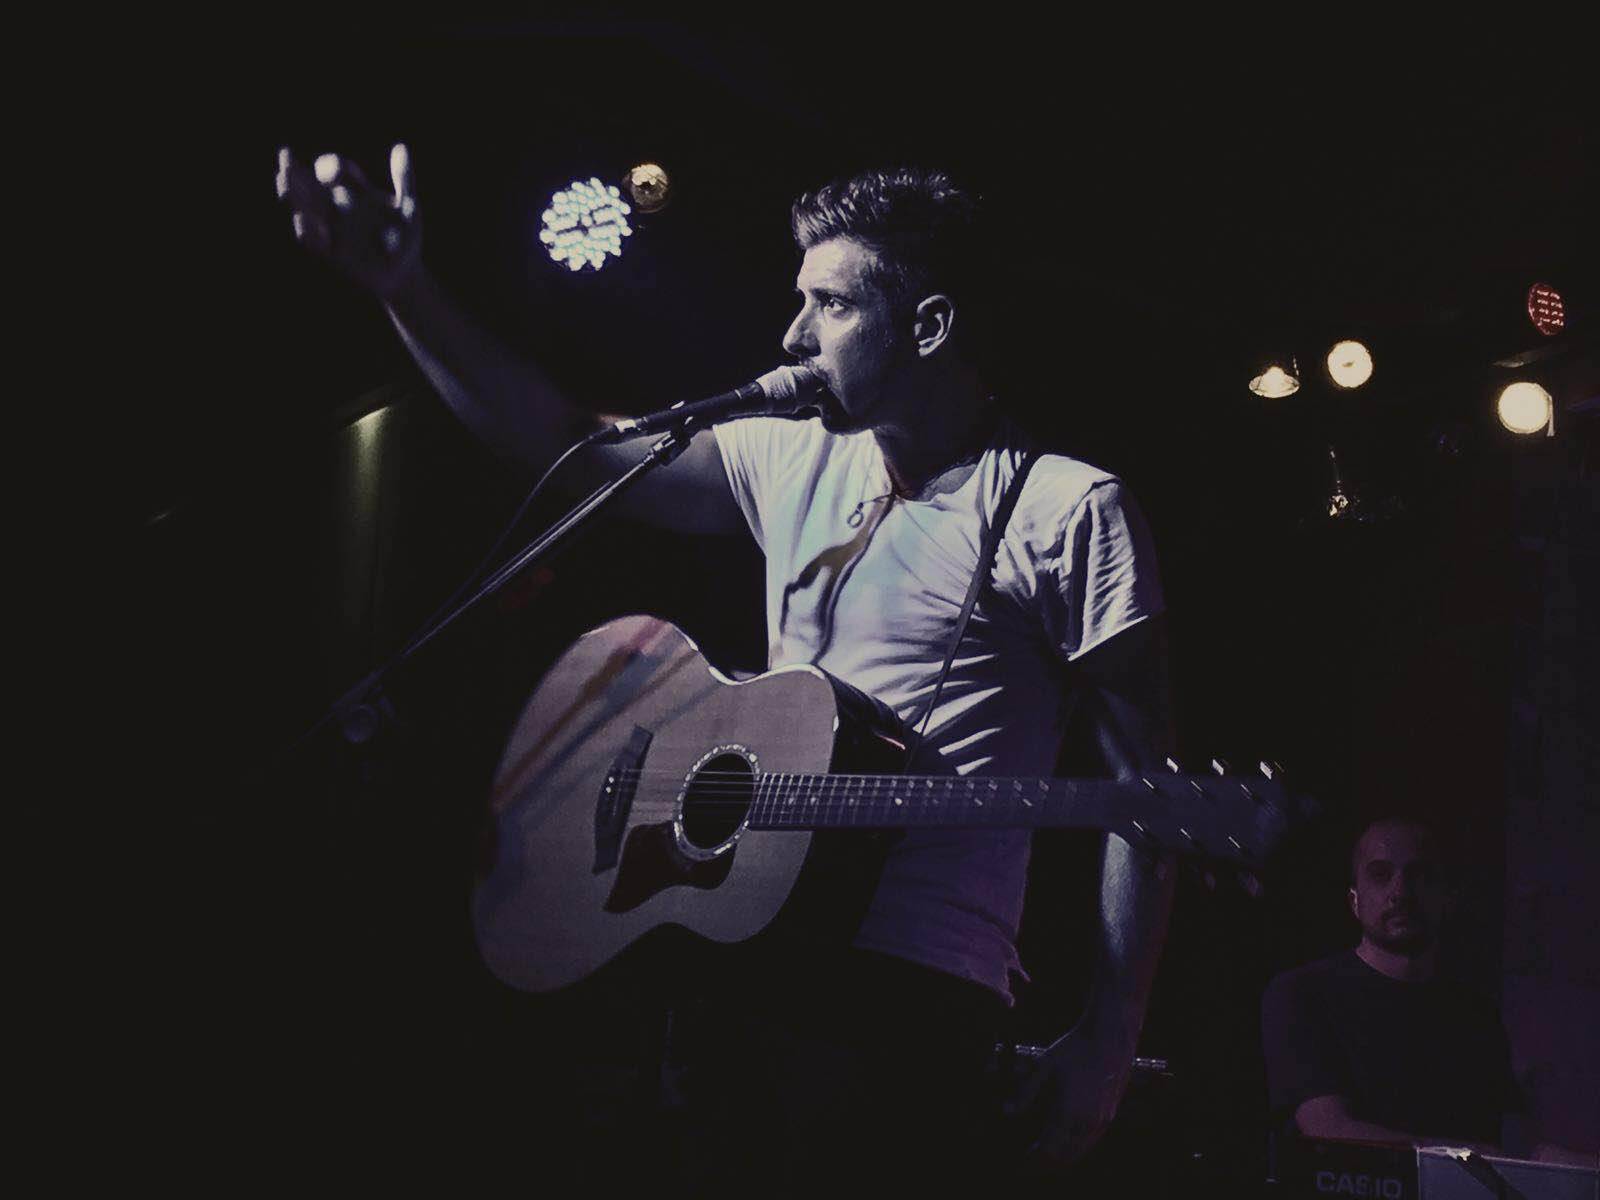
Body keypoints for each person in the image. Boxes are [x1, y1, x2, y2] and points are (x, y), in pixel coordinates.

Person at [277, 144, 1177, 1186]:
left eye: (830, 305)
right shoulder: (790, 455)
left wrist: (1109, 1038)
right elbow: (564, 439)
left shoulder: (1069, 510)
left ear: (928, 326)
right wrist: (406, 291)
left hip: (915, 991)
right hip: (741, 956)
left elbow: (1145, 795)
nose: (792, 334)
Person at [1261, 816, 1521, 1151]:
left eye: (1419, 875)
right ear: (1354, 900)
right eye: (1381, 874)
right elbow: (1327, 1128)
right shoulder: (1302, 993)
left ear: (1447, 897)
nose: (1400, 892)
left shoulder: (1476, 1015)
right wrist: (1470, 1157)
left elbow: (1515, 1139)